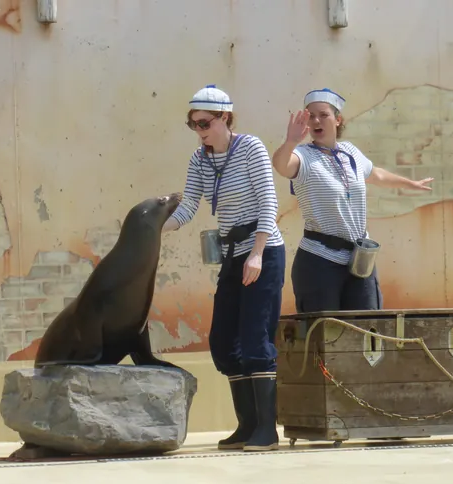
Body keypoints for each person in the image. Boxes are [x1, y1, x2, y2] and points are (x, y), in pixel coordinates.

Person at [162, 85, 286, 452]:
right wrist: (152, 231)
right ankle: (246, 426)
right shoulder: (200, 159)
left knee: (255, 339)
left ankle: (267, 429)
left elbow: (269, 201)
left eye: (204, 123)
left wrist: (258, 254)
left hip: (263, 252)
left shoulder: (251, 148)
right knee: (222, 342)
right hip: (233, 254)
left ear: (225, 119)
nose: (199, 130)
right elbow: (187, 209)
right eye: (193, 124)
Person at [272, 87, 434, 313]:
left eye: (324, 115)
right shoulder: (303, 156)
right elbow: (281, 165)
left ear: (338, 120)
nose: (316, 121)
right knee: (324, 334)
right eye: (311, 116)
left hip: (359, 259)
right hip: (320, 258)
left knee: (366, 331)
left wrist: (410, 183)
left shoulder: (350, 152)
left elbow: (375, 174)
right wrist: (290, 141)